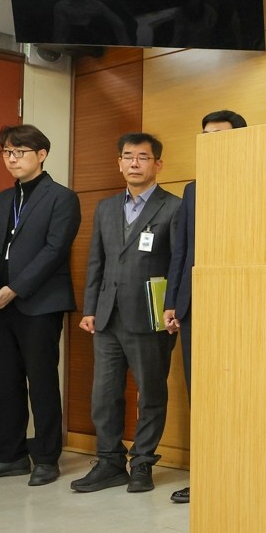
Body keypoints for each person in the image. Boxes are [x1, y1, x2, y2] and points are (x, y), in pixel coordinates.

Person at [0, 125, 81, 486]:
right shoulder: (1, 200)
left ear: (41, 155)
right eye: (7, 152)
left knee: (41, 382)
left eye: (20, 152)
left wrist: (15, 288)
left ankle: (46, 458)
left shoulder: (61, 198)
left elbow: (54, 251)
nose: (12, 159)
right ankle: (10, 456)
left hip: (39, 303)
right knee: (5, 382)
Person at [72, 133, 180, 494]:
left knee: (151, 392)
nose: (135, 163)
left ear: (158, 164)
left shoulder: (174, 208)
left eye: (143, 157)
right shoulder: (105, 208)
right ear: (119, 163)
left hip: (151, 316)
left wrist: (173, 307)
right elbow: (96, 261)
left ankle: (143, 462)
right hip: (107, 316)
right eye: (128, 156)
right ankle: (110, 462)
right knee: (104, 394)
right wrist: (90, 308)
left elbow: (179, 263)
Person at [163, 109, 247, 504]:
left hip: (243, 306)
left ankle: (241, 476)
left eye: (220, 136)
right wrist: (172, 302)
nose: (211, 144)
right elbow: (181, 250)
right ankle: (208, 479)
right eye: (205, 137)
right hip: (196, 308)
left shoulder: (260, 180)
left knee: (241, 395)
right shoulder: (193, 190)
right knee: (203, 395)